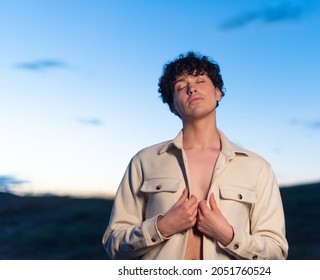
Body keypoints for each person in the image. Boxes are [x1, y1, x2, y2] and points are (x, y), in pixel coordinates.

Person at [102, 51, 288, 260]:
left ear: (218, 93)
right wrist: (162, 227)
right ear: (173, 106)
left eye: (201, 80)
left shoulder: (257, 167)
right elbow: (113, 243)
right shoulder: (144, 161)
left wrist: (227, 235)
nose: (192, 88)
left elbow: (276, 253)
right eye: (181, 86)